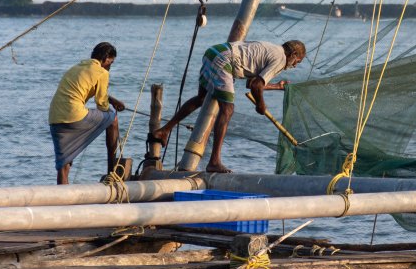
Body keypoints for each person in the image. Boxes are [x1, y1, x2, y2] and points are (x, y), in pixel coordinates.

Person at [151, 40, 306, 173]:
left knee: (201, 98)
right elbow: (256, 86)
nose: (293, 66)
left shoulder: (272, 48)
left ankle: (164, 130)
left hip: (213, 53)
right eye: (296, 62)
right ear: (292, 54)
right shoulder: (280, 58)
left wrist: (276, 86)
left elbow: (251, 83)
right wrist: (261, 104)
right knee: (227, 110)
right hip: (224, 60)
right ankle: (214, 161)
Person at [49, 42, 125, 184]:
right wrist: (112, 107)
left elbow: (83, 89)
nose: (110, 66)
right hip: (74, 115)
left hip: (55, 118)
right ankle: (111, 171)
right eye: (111, 62)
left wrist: (113, 100)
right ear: (106, 58)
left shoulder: (77, 68)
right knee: (112, 118)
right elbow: (101, 104)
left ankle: (62, 200)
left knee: (63, 166)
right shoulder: (102, 72)